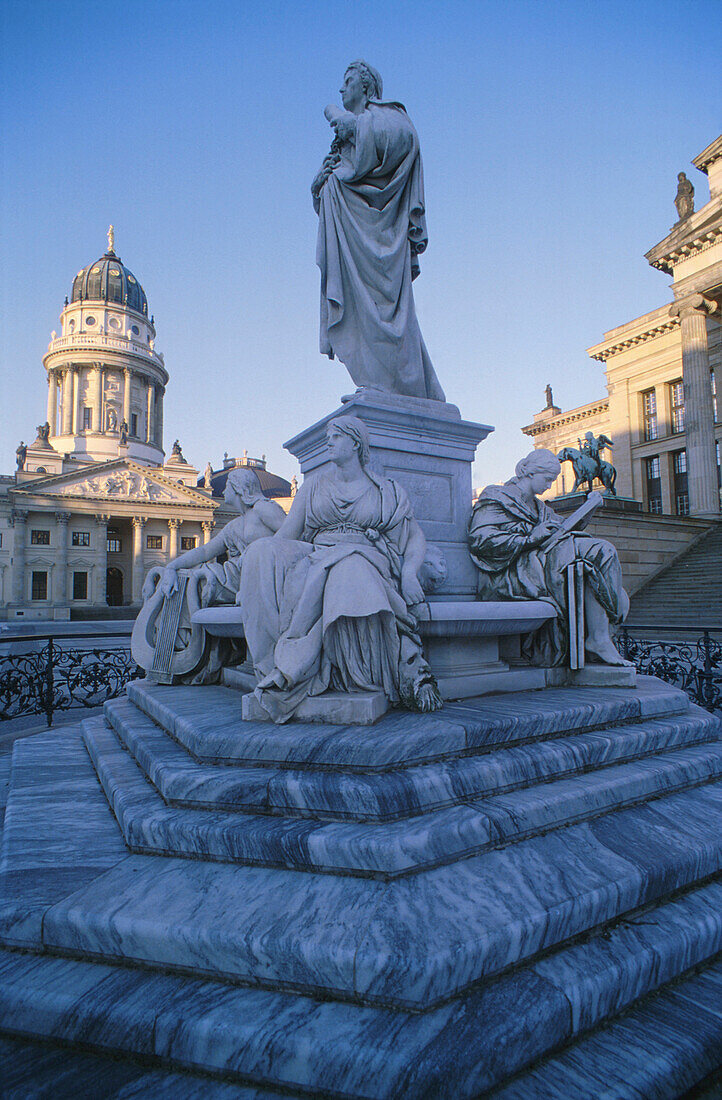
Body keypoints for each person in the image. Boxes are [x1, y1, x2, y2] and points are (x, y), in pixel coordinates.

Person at [239, 415, 442, 722]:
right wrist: (251, 569)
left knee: (349, 567)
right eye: (329, 437)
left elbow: (414, 538)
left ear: (355, 443)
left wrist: (410, 573)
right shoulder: (313, 486)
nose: (329, 442)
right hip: (317, 552)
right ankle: (272, 665)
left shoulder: (386, 489)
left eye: (335, 437)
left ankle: (346, 672)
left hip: (364, 554)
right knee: (261, 551)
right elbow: (287, 534)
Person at [312, 61, 445, 402]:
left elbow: (404, 140)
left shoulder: (389, 117)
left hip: (383, 238)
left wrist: (350, 124)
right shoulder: (343, 140)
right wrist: (321, 184)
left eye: (348, 82)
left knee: (388, 311)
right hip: (353, 242)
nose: (341, 90)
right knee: (359, 310)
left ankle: (400, 384)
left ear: (366, 88)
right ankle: (376, 381)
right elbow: (341, 182)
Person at [469, 449, 630, 667]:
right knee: (602, 550)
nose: (549, 485)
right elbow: (481, 541)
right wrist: (531, 538)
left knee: (603, 552)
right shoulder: (496, 496)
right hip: (515, 569)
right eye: (547, 479)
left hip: (546, 559)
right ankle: (598, 639)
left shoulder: (540, 507)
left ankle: (599, 638)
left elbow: (565, 527)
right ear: (530, 473)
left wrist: (589, 508)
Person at [159, 467, 285, 607]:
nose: (224, 491)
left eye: (227, 487)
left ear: (238, 488)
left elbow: (291, 536)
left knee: (197, 580)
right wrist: (171, 567)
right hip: (237, 577)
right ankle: (185, 629)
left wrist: (257, 554)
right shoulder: (234, 526)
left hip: (265, 575)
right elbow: (205, 551)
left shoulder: (263, 508)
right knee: (185, 578)